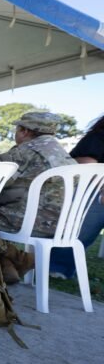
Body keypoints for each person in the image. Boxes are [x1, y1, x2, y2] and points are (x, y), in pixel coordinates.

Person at [0, 110, 76, 282]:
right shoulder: (64, 155)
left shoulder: (24, 152)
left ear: (25, 131)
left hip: (31, 223)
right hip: (65, 225)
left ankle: (14, 259)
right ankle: (7, 263)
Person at [50, 113, 104, 278]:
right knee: (93, 206)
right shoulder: (98, 136)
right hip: (86, 188)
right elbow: (86, 165)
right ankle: (57, 265)